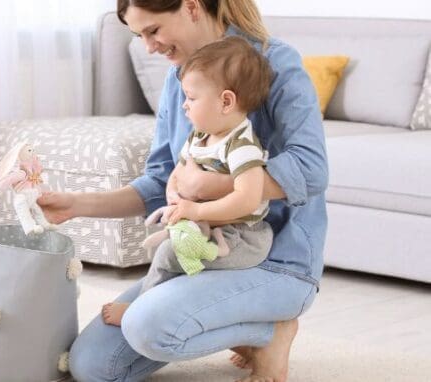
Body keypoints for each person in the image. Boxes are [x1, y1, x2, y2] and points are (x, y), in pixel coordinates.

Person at [37, 0, 328, 381]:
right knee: (94, 366)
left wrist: (214, 184)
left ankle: (270, 331)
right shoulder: (181, 83)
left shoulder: (275, 64)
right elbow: (159, 182)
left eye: (153, 30)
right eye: (139, 35)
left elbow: (312, 168)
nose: (149, 47)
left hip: (275, 261)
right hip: (205, 252)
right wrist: (76, 205)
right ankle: (235, 327)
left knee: (147, 326)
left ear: (191, 7)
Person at [102, 35, 275, 327]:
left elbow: (247, 198)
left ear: (226, 101)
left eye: (192, 98)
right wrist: (173, 194)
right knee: (165, 250)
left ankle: (141, 311)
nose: (184, 106)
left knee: (170, 254)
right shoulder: (200, 136)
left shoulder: (242, 146)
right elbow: (179, 171)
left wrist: (195, 211)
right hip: (207, 228)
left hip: (242, 237)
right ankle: (167, 309)